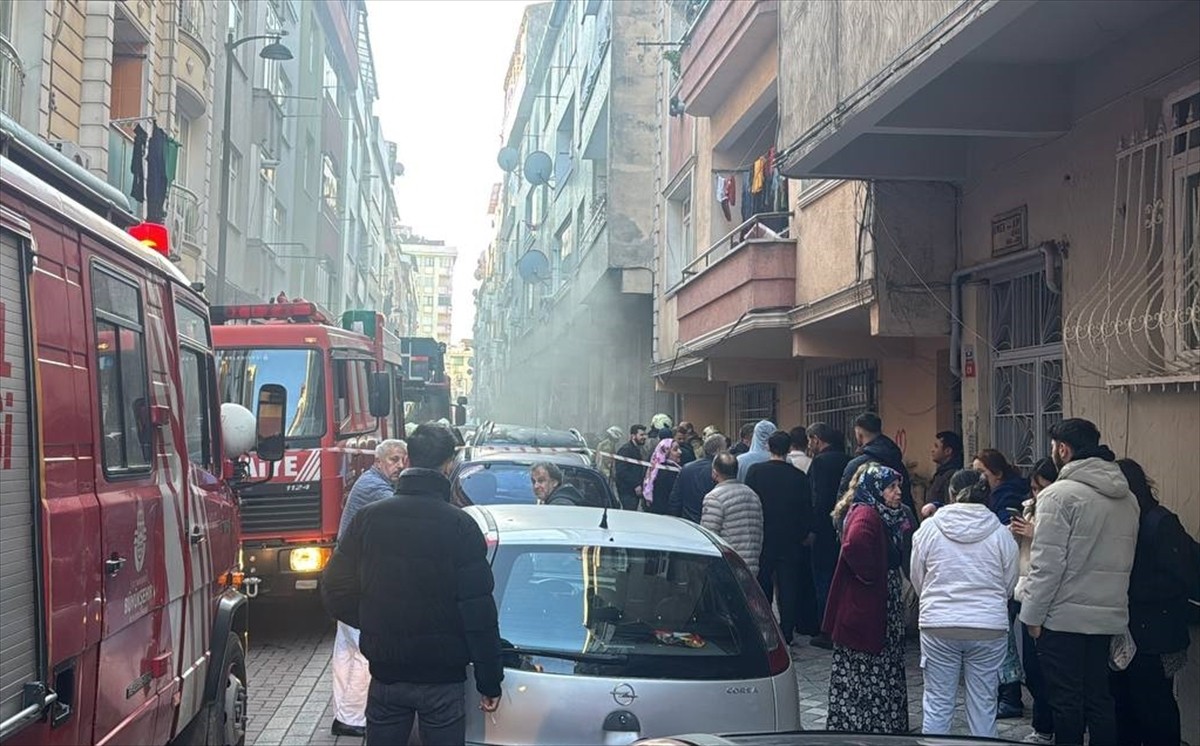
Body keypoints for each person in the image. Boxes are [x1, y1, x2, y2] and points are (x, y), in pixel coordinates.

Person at [321, 423, 503, 745]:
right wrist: (489, 681)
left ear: (407, 460)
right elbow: (479, 612)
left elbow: (334, 586)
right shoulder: (461, 525)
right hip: (443, 679)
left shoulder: (369, 518)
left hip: (387, 674)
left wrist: (373, 621)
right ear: (448, 465)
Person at [1019, 418, 1139, 746]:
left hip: (1063, 619)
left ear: (1063, 449)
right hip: (1108, 616)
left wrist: (1032, 617)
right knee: (1100, 699)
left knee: (1066, 702)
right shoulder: (1127, 498)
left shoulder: (1058, 496)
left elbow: (1047, 565)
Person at [911, 469, 1018, 737]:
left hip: (939, 623)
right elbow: (1009, 583)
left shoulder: (928, 530)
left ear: (951, 494)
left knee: (937, 702)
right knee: (984, 704)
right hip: (988, 626)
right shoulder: (1001, 533)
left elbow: (918, 578)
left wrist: (933, 599)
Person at [1110, 458, 1197, 746]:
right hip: (1128, 633)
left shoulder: (1159, 522)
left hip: (1155, 635)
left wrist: (1132, 590)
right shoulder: (1122, 522)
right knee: (1125, 706)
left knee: (1155, 707)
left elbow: (1180, 577)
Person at [823, 463, 910, 734]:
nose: (897, 492)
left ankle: (880, 724)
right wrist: (871, 575)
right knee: (865, 670)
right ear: (876, 488)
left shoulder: (882, 514)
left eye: (898, 486)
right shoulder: (867, 514)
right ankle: (867, 725)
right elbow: (856, 545)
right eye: (891, 487)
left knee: (880, 666)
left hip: (877, 607)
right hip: (866, 609)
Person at [329, 439, 408, 738]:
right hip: (357, 583)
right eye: (394, 459)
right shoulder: (377, 489)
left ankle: (344, 715)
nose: (400, 465)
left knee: (347, 651)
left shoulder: (368, 481)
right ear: (378, 461)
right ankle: (353, 719)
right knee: (364, 651)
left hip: (345, 580)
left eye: (403, 460)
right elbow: (400, 510)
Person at [745, 430, 814, 645]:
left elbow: (750, 502)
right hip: (790, 538)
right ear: (788, 449)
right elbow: (806, 508)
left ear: (768, 447)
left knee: (762, 583)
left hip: (763, 536)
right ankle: (787, 631)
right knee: (788, 587)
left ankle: (764, 627)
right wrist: (805, 533)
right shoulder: (799, 477)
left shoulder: (756, 472)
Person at [1008, 457, 1058, 744]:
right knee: (1032, 667)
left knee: (1048, 667)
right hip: (1023, 590)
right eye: (1034, 489)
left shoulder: (1061, 510)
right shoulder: (1028, 508)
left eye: (1042, 488)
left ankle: (1049, 725)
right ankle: (1043, 725)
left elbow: (1061, 549)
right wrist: (1015, 534)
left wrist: (1034, 533)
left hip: (1049, 595)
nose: (1037, 494)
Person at [807, 423, 851, 650]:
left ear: (816, 439)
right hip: (845, 527)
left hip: (824, 530)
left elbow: (818, 498)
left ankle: (826, 629)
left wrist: (813, 529)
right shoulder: (847, 460)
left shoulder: (820, 462)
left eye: (810, 440)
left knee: (824, 579)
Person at [839, 412, 917, 519]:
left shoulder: (856, 465)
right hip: (899, 523)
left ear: (859, 434)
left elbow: (843, 504)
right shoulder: (896, 462)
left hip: (864, 523)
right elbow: (906, 497)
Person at [701, 452, 764, 576]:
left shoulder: (714, 498)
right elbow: (760, 530)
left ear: (714, 473)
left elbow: (709, 535)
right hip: (752, 564)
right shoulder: (753, 495)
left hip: (728, 566)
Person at [668, 433, 724, 522]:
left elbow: (675, 498)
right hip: (710, 520)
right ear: (719, 450)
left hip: (688, 520)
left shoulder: (687, 468)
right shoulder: (720, 471)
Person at [972, 449, 1028, 526]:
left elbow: (1007, 524)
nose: (978, 477)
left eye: (981, 472)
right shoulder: (986, 495)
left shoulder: (1008, 496)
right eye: (974, 473)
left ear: (998, 473)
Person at [926, 431, 963, 514]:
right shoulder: (941, 473)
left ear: (948, 451)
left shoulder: (952, 475)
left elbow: (949, 505)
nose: (932, 450)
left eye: (936, 447)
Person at [614, 424, 648, 511]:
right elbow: (621, 471)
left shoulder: (639, 449)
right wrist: (636, 484)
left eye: (645, 434)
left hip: (634, 492)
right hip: (627, 491)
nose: (644, 437)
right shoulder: (625, 450)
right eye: (641, 435)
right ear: (633, 436)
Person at [643, 438, 681, 515]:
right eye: (675, 449)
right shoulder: (670, 471)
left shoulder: (654, 469)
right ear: (666, 452)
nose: (680, 452)